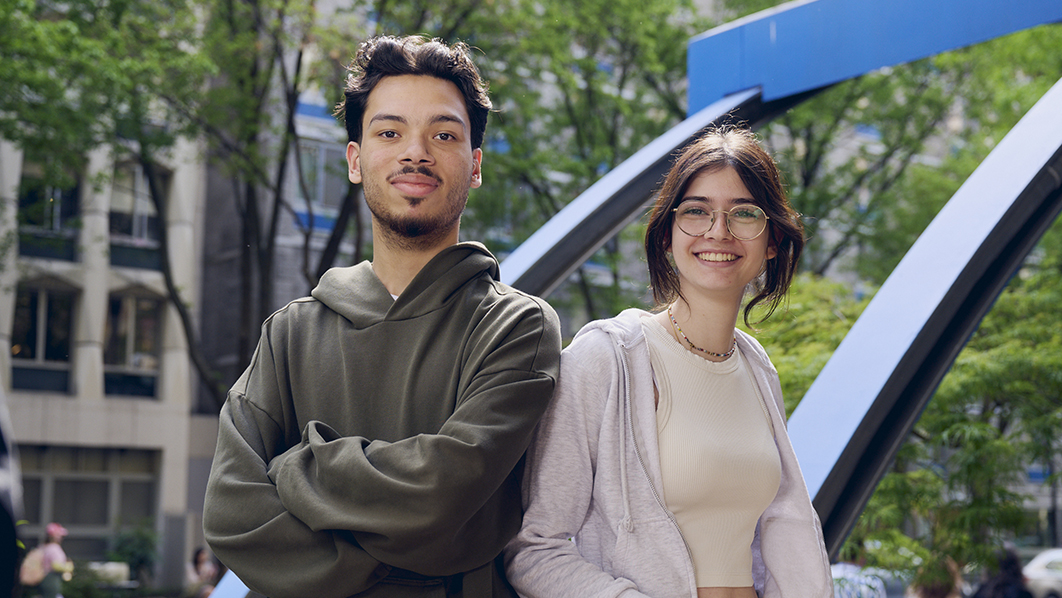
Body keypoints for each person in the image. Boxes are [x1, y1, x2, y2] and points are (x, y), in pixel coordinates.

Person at [202, 35, 561, 598]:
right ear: (354, 159)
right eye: (389, 132)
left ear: (475, 166)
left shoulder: (516, 327)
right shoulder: (290, 332)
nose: (415, 152)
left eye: (444, 135)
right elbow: (231, 513)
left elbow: (441, 492)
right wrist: (400, 572)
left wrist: (299, 468)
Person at [505, 126, 833, 597]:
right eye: (696, 211)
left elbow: (768, 542)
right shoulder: (608, 357)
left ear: (773, 242)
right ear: (666, 235)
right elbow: (534, 548)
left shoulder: (757, 368)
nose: (718, 231)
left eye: (744, 213)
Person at [32, 523, 73, 598]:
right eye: (59, 535)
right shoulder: (54, 548)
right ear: (53, 535)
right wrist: (69, 566)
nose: (61, 537)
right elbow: (56, 566)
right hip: (51, 580)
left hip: (40, 579)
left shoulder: (42, 546)